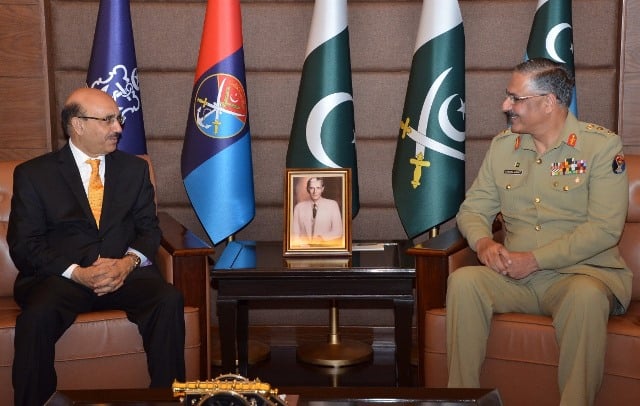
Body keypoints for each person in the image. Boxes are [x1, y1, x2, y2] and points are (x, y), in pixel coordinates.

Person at [447, 58, 631, 406]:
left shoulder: (601, 148)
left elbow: (605, 229)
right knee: (464, 282)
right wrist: (484, 242)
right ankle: (461, 400)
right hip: (514, 279)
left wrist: (535, 260)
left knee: (586, 297)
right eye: (508, 97)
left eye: (515, 99)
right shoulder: (503, 147)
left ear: (548, 102)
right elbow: (473, 209)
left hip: (579, 275)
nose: (506, 106)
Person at [8, 88, 186, 406]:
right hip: (62, 277)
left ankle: (167, 398)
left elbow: (149, 230)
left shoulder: (134, 170)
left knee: (167, 300)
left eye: (118, 119)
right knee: (35, 319)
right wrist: (77, 273)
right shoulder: (35, 175)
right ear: (77, 124)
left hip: (124, 274)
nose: (118, 128)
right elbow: (24, 244)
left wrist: (127, 263)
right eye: (107, 120)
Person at [291, 177, 343, 246]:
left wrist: (321, 238)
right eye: (312, 188)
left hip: (326, 248)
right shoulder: (299, 207)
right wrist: (302, 245)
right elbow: (295, 234)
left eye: (318, 188)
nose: (315, 191)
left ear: (322, 189)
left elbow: (338, 231)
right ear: (308, 189)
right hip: (304, 250)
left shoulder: (332, 205)